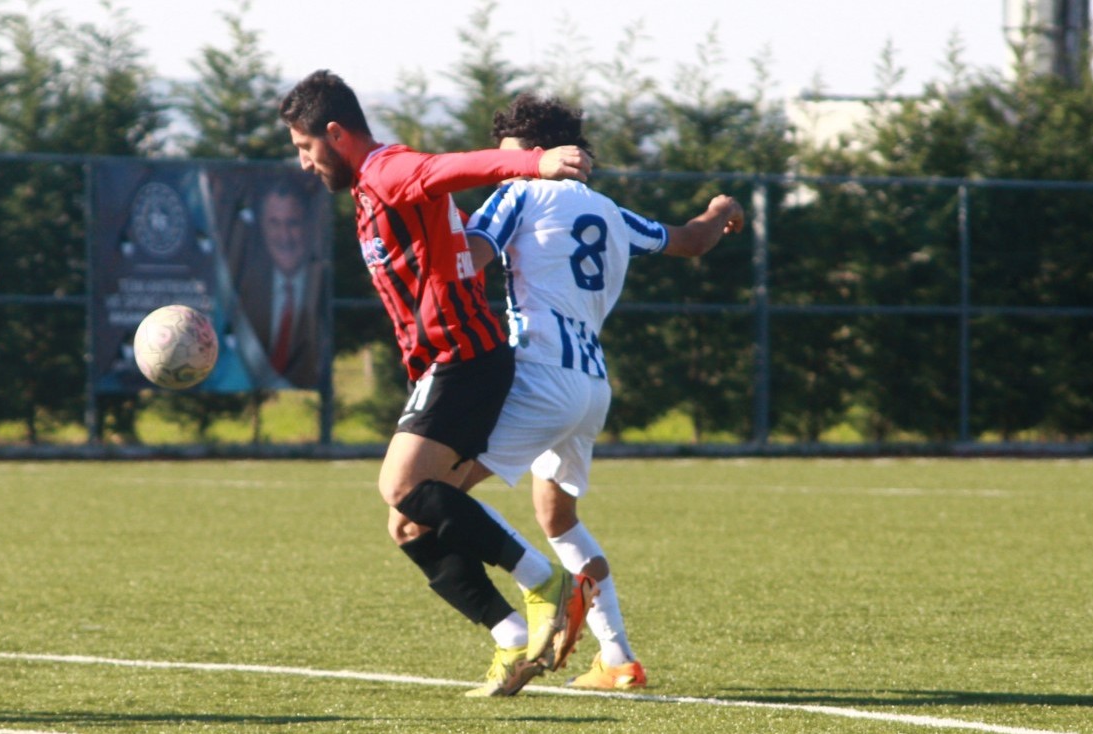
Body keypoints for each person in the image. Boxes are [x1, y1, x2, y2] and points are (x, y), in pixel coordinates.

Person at [278, 70, 597, 696]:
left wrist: (534, 162)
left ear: (335, 133)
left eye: (304, 146)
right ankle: (509, 639)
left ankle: (548, 583)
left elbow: (438, 171)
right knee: (409, 523)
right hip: (445, 364)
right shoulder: (367, 193)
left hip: (465, 358)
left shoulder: (385, 170)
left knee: (398, 485)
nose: (304, 162)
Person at [458, 93, 745, 689]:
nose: (500, 170)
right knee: (558, 517)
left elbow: (470, 259)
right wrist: (720, 209)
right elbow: (691, 240)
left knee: (433, 494)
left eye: (507, 159)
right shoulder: (610, 211)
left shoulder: (520, 191)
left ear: (541, 155)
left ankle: (545, 591)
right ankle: (618, 661)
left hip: (538, 375)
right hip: (590, 385)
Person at [229, 180, 323, 388]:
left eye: (293, 223)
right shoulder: (240, 290)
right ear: (262, 226)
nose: (284, 236)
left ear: (308, 225)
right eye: (274, 223)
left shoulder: (324, 287)